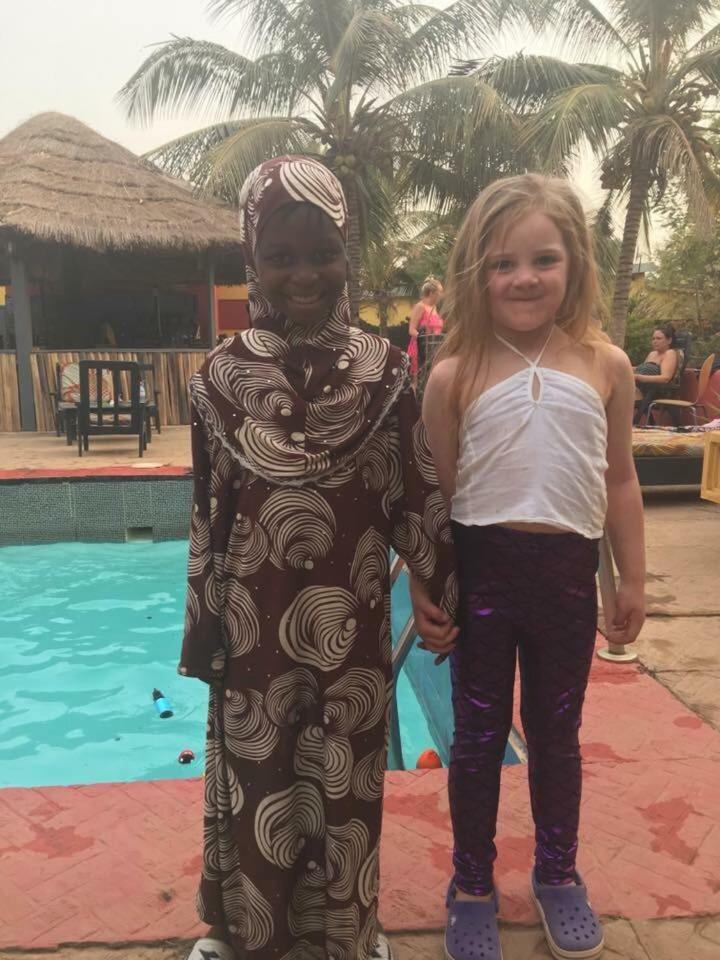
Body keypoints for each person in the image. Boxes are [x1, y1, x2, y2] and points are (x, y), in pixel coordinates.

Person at [179, 156, 458, 960]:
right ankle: (244, 932)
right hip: (254, 622)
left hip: (353, 626)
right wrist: (204, 630)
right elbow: (208, 515)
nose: (304, 274)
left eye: (323, 252)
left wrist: (437, 588)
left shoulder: (384, 372)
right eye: (281, 255)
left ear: (347, 252)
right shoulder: (219, 378)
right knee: (257, 776)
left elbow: (414, 490)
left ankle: (348, 933)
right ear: (252, 259)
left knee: (348, 778)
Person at [421, 174, 646, 960]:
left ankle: (557, 872)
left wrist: (631, 579)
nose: (524, 278)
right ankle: (471, 883)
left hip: (566, 578)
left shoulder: (606, 366)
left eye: (543, 259)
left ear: (574, 262)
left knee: (557, 735)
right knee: (478, 738)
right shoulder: (455, 374)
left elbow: (619, 479)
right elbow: (437, 498)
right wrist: (427, 585)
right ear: (476, 273)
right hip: (483, 577)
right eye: (503, 263)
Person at [633, 324, 679, 423]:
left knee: (618, 394)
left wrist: (637, 377)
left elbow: (665, 378)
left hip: (654, 391)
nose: (655, 341)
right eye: (653, 338)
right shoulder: (652, 354)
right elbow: (642, 369)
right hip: (639, 387)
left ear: (669, 340)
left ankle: (631, 424)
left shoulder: (669, 353)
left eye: (658, 338)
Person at [407, 278, 444, 387]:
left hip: (434, 348)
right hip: (421, 349)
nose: (441, 295)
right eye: (440, 292)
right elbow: (411, 330)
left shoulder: (434, 308)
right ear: (431, 293)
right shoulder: (420, 306)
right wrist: (424, 338)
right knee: (419, 382)